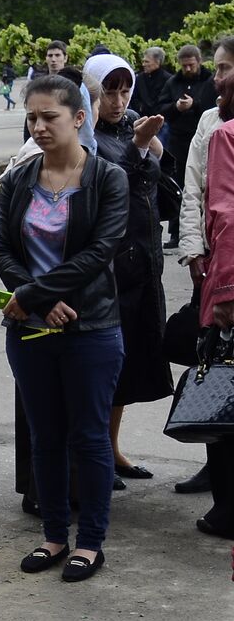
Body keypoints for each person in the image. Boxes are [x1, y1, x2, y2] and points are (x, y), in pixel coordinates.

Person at [0, 74, 129, 582]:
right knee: (45, 437)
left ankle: (90, 542)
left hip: (90, 327)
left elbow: (100, 252)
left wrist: (31, 295)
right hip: (29, 329)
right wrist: (34, 300)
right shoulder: (21, 175)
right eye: (33, 116)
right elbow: (0, 243)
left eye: (50, 116)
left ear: (78, 118)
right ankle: (53, 536)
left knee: (89, 437)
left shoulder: (106, 178)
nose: (39, 125)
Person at [85, 54, 173, 483]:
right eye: (109, 91)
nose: (118, 100)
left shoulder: (133, 122)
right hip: (108, 271)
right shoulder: (84, 134)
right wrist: (140, 146)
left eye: (124, 89)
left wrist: (150, 144)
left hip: (143, 262)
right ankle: (98, 452)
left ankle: (113, 447)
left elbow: (160, 174)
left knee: (131, 362)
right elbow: (108, 183)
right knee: (105, 364)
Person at [176, 37, 234, 505]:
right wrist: (194, 250)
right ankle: (215, 468)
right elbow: (193, 189)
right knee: (214, 368)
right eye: (214, 69)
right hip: (215, 269)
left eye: (224, 69)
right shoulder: (210, 121)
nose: (216, 78)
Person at [196, 87, 234, 537]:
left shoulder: (226, 136)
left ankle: (227, 510)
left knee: (225, 401)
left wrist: (224, 290)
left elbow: (225, 213)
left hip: (230, 285)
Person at [160, 45, 218, 249]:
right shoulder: (173, 82)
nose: (187, 69)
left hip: (204, 138)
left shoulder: (210, 81)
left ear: (199, 61)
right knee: (179, 186)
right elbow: (161, 108)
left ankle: (207, 232)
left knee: (204, 185)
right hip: (178, 140)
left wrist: (194, 105)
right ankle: (176, 232)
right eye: (184, 65)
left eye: (191, 65)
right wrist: (176, 107)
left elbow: (215, 108)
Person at [132, 47, 172, 119]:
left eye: (147, 62)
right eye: (143, 61)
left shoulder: (168, 80)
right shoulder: (139, 78)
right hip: (141, 119)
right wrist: (140, 108)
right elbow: (134, 98)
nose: (143, 64)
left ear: (158, 62)